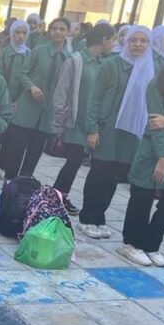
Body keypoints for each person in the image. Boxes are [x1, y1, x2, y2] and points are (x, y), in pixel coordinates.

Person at [120, 36, 164, 266]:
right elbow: (155, 124)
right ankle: (132, 243)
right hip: (154, 149)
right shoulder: (157, 84)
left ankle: (152, 244)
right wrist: (163, 157)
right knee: (141, 196)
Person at [78, 25, 153, 239]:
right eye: (133, 40)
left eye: (143, 41)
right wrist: (92, 129)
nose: (138, 45)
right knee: (99, 173)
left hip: (130, 134)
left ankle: (99, 217)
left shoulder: (149, 69)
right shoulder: (111, 65)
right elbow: (95, 98)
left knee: (114, 176)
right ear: (125, 42)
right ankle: (87, 217)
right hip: (107, 129)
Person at [52, 22, 115, 214]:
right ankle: (57, 197)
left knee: (76, 162)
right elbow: (61, 92)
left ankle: (58, 196)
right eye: (112, 40)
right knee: (73, 161)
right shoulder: (75, 61)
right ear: (103, 39)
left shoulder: (104, 64)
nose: (113, 44)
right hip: (74, 123)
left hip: (92, 124)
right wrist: (59, 124)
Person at [3, 17, 71, 180]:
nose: (58, 32)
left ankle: (25, 183)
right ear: (49, 30)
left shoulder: (69, 59)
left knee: (35, 152)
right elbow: (22, 73)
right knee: (17, 149)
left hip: (48, 112)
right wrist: (31, 87)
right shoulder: (39, 51)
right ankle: (10, 182)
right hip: (28, 107)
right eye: (54, 28)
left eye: (62, 29)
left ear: (67, 33)